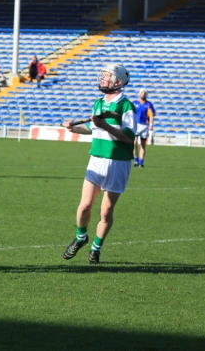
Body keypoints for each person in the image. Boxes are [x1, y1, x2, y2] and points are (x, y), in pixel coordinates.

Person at [61, 64, 136, 265]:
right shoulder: (98, 103)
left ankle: (96, 247)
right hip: (96, 160)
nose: (102, 79)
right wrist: (74, 128)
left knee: (105, 212)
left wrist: (105, 126)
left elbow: (129, 137)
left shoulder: (126, 106)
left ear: (118, 82)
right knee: (85, 206)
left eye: (106, 76)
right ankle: (80, 237)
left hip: (118, 163)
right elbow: (92, 128)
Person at [133, 89, 156, 168]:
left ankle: (141, 162)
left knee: (143, 145)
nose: (143, 94)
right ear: (139, 93)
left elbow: (151, 115)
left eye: (144, 93)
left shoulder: (148, 104)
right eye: (142, 92)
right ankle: (135, 159)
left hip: (144, 125)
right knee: (134, 143)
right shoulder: (134, 103)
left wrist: (151, 124)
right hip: (136, 125)